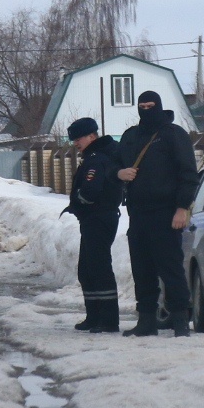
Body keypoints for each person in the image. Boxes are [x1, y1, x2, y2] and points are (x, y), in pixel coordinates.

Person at [115, 90, 198, 337]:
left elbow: (188, 175)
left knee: (170, 267)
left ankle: (180, 319)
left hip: (166, 213)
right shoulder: (131, 136)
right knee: (142, 270)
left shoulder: (174, 135)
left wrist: (182, 208)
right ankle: (147, 320)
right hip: (138, 214)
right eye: (142, 106)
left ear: (159, 106)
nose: (146, 109)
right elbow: (114, 164)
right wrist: (119, 174)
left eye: (151, 105)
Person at [63, 117, 124, 332]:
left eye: (78, 139)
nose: (76, 143)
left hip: (99, 217)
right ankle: (95, 316)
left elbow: (91, 190)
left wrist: (79, 200)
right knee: (87, 269)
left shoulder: (97, 159)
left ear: (92, 136)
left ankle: (107, 320)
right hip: (94, 218)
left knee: (98, 268)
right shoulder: (95, 156)